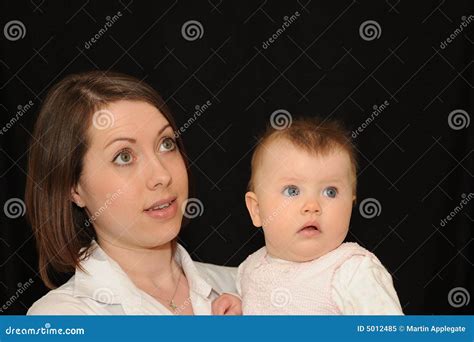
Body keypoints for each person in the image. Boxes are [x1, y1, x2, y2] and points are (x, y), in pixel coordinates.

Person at [25, 71, 240, 315]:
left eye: (166, 144)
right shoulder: (60, 317)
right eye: (124, 157)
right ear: (73, 188)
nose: (162, 175)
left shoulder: (245, 285)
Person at [214, 117, 403, 315]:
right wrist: (239, 308)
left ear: (351, 204)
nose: (312, 206)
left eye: (330, 192)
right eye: (292, 191)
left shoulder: (352, 271)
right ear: (257, 210)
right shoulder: (250, 270)